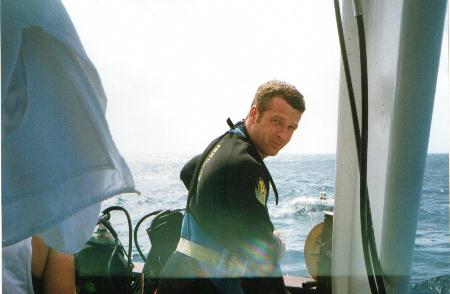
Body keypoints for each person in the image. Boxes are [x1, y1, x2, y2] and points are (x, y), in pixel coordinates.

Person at [157, 80, 305, 294]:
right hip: (203, 284)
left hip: (180, 275)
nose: (283, 134)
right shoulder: (244, 163)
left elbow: (188, 171)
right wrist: (276, 244)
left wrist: (218, 216)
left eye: (291, 127)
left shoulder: (226, 143)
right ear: (254, 113)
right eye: (276, 121)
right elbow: (262, 251)